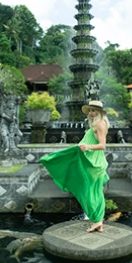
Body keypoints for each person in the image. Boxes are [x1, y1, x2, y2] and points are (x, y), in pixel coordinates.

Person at [39, 100, 110, 233]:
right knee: (94, 191)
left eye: (94, 110)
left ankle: (97, 219)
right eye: (89, 110)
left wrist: (87, 146)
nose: (91, 113)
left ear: (100, 112)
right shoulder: (98, 123)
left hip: (92, 163)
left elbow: (102, 145)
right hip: (90, 160)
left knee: (87, 191)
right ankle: (98, 221)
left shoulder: (100, 124)